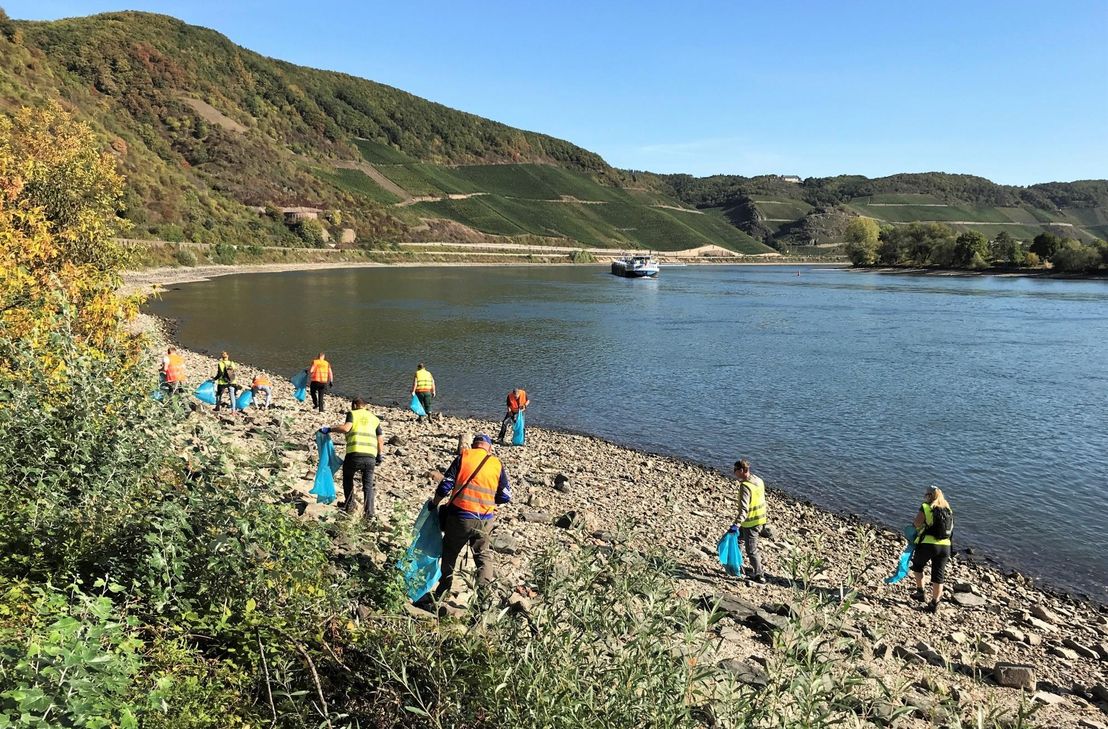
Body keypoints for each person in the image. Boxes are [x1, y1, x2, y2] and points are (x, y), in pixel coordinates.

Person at [431, 434, 511, 608]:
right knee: (483, 556)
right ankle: (483, 599)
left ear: (474, 446)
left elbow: (446, 486)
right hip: (485, 519)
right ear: (489, 448)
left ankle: (443, 590)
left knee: (450, 551)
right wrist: (488, 499)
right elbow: (506, 496)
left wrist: (434, 503)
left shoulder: (464, 457)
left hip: (460, 517)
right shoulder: (496, 464)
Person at [320, 398, 384, 520]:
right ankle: (369, 513)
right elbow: (380, 438)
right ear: (365, 406)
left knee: (348, 478)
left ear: (355, 405)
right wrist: (380, 455)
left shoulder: (352, 414)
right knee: (368, 485)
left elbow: (346, 428)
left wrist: (329, 429)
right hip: (370, 456)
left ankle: (349, 505)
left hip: (355, 453)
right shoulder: (374, 419)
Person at [910, 486, 954, 613]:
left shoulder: (926, 507)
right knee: (938, 575)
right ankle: (934, 603)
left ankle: (920, 592)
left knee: (917, 566)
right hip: (945, 546)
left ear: (930, 496)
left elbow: (917, 523)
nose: (925, 497)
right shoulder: (948, 510)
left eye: (926, 495)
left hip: (929, 544)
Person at [730, 459, 768, 584]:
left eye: (735, 470)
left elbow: (743, 510)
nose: (733, 473)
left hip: (750, 522)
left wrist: (736, 525)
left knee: (751, 549)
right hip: (761, 519)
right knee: (738, 541)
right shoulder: (759, 481)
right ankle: (737, 567)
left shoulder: (745, 486)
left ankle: (759, 574)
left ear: (741, 471)